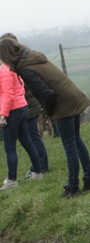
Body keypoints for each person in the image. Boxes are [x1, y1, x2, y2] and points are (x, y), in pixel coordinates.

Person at [0, 38, 90, 198]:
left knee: (70, 146)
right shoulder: (32, 57)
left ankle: (73, 187)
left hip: (63, 103)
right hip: (71, 96)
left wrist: (48, 112)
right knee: (77, 141)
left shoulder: (25, 68)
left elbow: (47, 93)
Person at [0, 33, 49, 177]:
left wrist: (3, 114)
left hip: (19, 106)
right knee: (28, 140)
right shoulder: (17, 64)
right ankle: (37, 169)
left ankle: (36, 168)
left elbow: (10, 92)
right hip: (24, 105)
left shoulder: (10, 68)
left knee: (22, 141)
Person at [0, 57, 43, 190]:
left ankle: (12, 180)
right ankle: (37, 172)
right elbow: (20, 88)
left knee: (10, 147)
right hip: (22, 107)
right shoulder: (13, 67)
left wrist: (3, 114)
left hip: (12, 111)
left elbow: (8, 94)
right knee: (27, 142)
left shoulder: (4, 71)